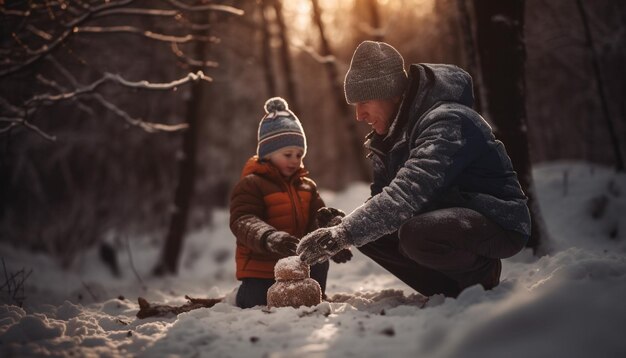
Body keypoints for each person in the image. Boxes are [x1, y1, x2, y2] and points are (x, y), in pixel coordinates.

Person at [297, 41, 531, 297]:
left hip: (497, 219)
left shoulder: (446, 120)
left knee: (412, 233)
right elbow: (381, 202)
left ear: (392, 93)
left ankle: (480, 278)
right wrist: (342, 226)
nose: (359, 115)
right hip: (446, 217)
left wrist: (343, 233)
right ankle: (448, 292)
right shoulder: (391, 137)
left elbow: (407, 193)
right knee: (370, 234)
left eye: (363, 101)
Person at [230, 97, 351, 308]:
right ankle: (245, 295)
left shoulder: (307, 186)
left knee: (318, 254)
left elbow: (316, 221)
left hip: (299, 267)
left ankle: (313, 294)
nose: (295, 160)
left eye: (299, 154)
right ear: (267, 154)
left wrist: (333, 235)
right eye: (288, 154)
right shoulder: (252, 184)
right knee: (258, 301)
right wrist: (271, 237)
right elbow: (243, 220)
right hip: (262, 268)